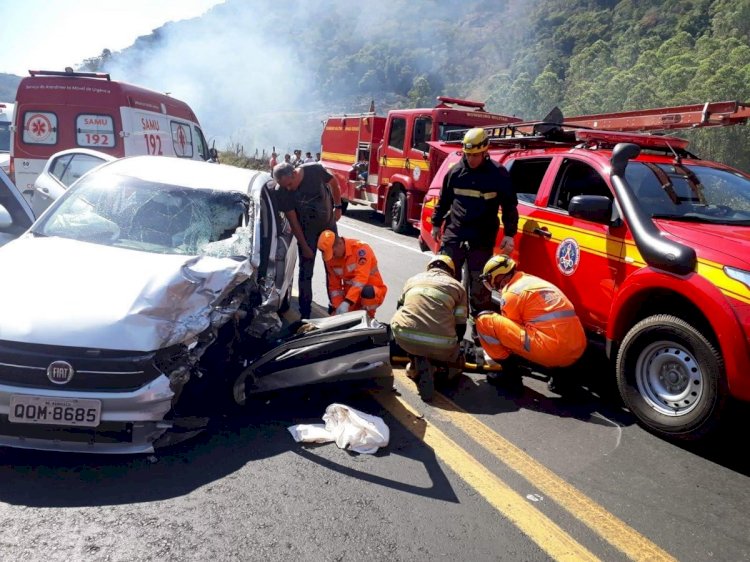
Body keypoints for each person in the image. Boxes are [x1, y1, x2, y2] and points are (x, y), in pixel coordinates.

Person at [431, 127, 518, 335]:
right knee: (445, 282)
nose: (471, 159)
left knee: (480, 290)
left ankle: (480, 336)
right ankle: (446, 331)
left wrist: (509, 234)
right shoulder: (455, 172)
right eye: (468, 155)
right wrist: (436, 224)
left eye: (475, 155)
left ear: (485, 152)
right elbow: (444, 201)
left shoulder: (498, 174)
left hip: (481, 239)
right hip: (455, 235)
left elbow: (509, 206)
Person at [475, 254, 587, 391]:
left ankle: (509, 374)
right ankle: (562, 376)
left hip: (552, 351)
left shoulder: (512, 293)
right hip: (577, 349)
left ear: (497, 277)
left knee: (485, 320)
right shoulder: (533, 281)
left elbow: (510, 334)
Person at [390, 254, 468, 401]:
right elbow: (461, 325)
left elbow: (399, 307)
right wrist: (455, 347)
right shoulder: (458, 287)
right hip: (441, 345)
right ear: (451, 271)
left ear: (429, 268)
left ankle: (414, 363)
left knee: (405, 326)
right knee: (456, 361)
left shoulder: (412, 280)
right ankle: (438, 368)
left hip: (404, 337)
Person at [273, 161, 343, 319]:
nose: (289, 189)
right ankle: (305, 315)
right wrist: (304, 245)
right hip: (306, 234)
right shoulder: (282, 191)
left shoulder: (314, 170)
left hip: (328, 228)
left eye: (290, 184)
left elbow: (333, 182)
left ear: (294, 173)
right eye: (285, 187)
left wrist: (338, 207)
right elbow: (293, 221)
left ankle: (337, 309)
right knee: (305, 274)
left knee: (333, 269)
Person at [317, 230, 387, 319]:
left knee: (368, 292)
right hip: (350, 297)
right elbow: (334, 287)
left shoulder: (361, 249)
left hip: (370, 294)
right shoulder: (330, 259)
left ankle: (369, 317)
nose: (332, 257)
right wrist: (338, 306)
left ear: (339, 243)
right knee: (335, 319)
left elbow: (361, 279)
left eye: (333, 253)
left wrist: (347, 302)